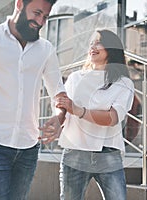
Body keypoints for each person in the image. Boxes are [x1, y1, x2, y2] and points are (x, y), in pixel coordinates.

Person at [0, 0, 66, 199]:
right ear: (19, 4)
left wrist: (59, 117)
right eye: (36, 13)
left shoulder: (46, 49)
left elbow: (59, 93)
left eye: (45, 16)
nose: (40, 21)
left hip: (28, 148)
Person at [57, 29, 134, 200]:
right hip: (75, 151)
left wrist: (78, 110)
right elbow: (62, 107)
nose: (93, 46)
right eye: (92, 42)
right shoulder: (75, 78)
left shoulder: (123, 83)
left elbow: (111, 118)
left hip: (108, 153)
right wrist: (55, 122)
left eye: (98, 42)